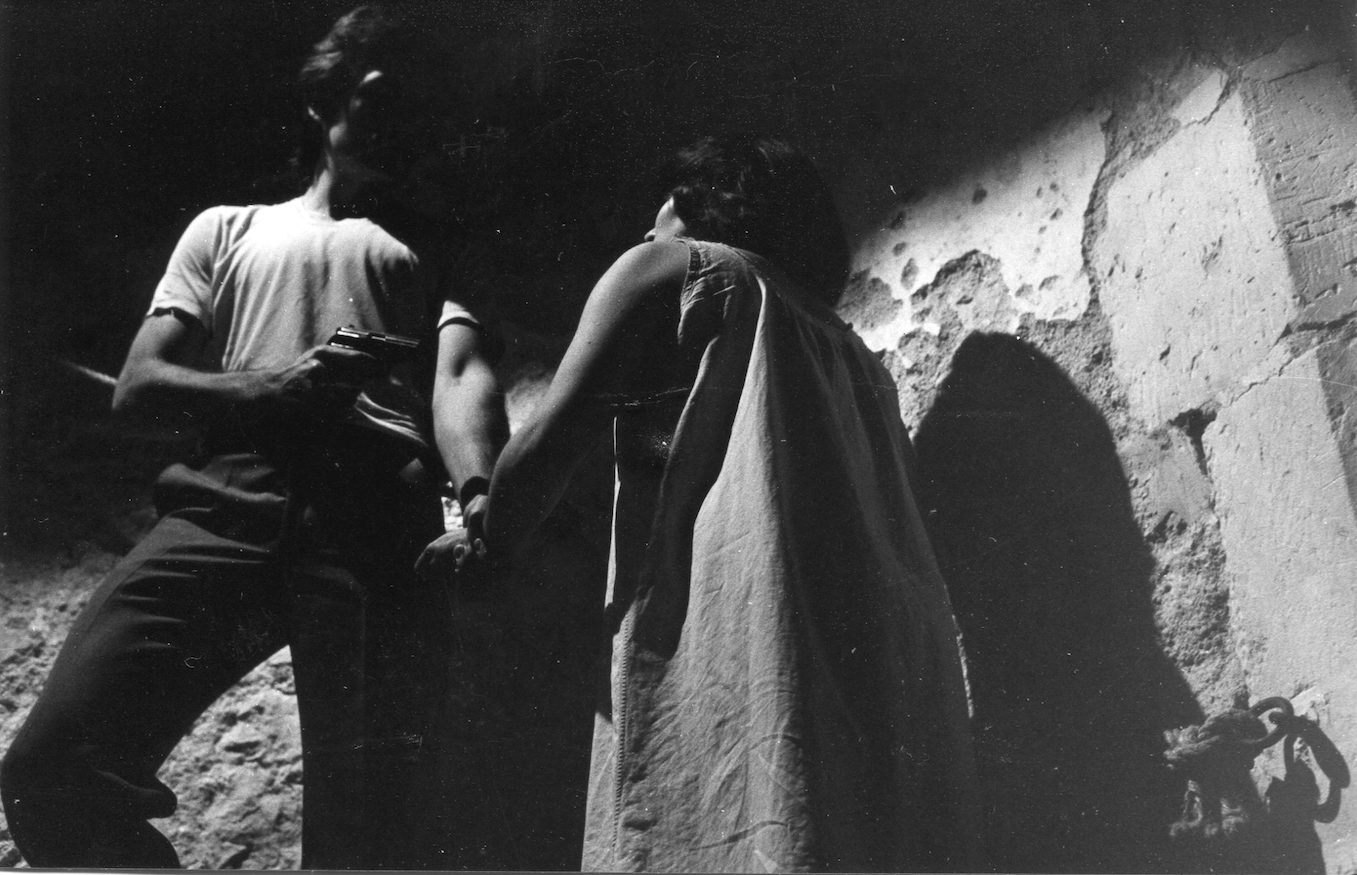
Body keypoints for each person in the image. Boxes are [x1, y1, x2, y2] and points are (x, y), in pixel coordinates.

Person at [0, 6, 506, 869]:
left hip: (374, 516)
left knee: (367, 836)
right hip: (224, 501)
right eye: (382, 93)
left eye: (421, 103)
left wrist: (479, 493)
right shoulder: (227, 229)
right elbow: (140, 384)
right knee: (53, 769)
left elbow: (460, 375)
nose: (402, 119)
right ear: (324, 97)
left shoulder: (439, 243)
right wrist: (273, 386)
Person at [449, 135, 984, 871]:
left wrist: (487, 527)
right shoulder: (848, 350)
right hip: (874, 668)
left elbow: (548, 440)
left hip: (743, 643)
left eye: (658, 214)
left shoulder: (678, 268)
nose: (646, 235)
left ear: (695, 202)